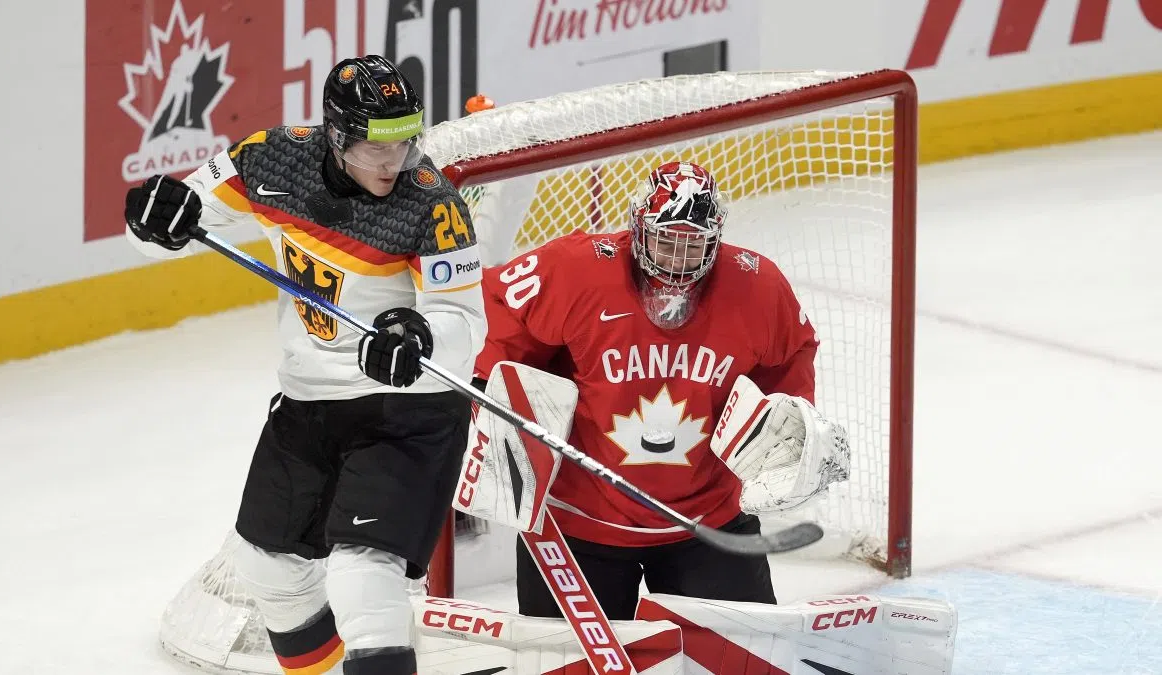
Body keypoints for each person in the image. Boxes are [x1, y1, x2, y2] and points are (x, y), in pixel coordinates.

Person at [124, 55, 485, 675]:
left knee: (361, 574)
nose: (395, 161)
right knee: (268, 564)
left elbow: (467, 323)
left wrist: (417, 334)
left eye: (406, 141)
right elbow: (178, 220)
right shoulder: (270, 159)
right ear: (338, 135)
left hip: (409, 407)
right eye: (378, 147)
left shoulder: (433, 206)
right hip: (309, 400)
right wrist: (152, 215)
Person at [475, 161, 825, 620]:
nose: (678, 262)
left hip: (708, 521)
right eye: (665, 241)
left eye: (693, 244)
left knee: (742, 664)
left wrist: (791, 421)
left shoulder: (757, 286)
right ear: (639, 227)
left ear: (715, 238)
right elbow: (499, 307)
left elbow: (791, 356)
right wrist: (486, 390)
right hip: (577, 522)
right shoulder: (575, 268)